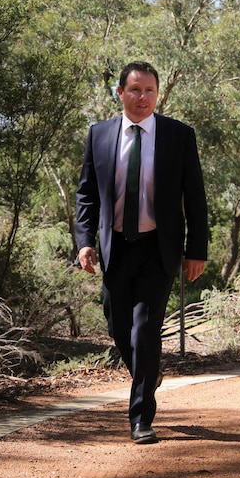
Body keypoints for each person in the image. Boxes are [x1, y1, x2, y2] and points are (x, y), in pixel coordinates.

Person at [75, 61, 208, 445]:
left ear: (157, 94)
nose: (142, 98)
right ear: (120, 93)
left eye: (149, 91)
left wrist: (195, 249)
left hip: (158, 247)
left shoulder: (178, 135)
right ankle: (149, 371)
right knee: (120, 329)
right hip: (115, 246)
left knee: (146, 329)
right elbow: (86, 194)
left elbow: (194, 197)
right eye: (135, 90)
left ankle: (140, 417)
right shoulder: (99, 135)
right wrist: (85, 241)